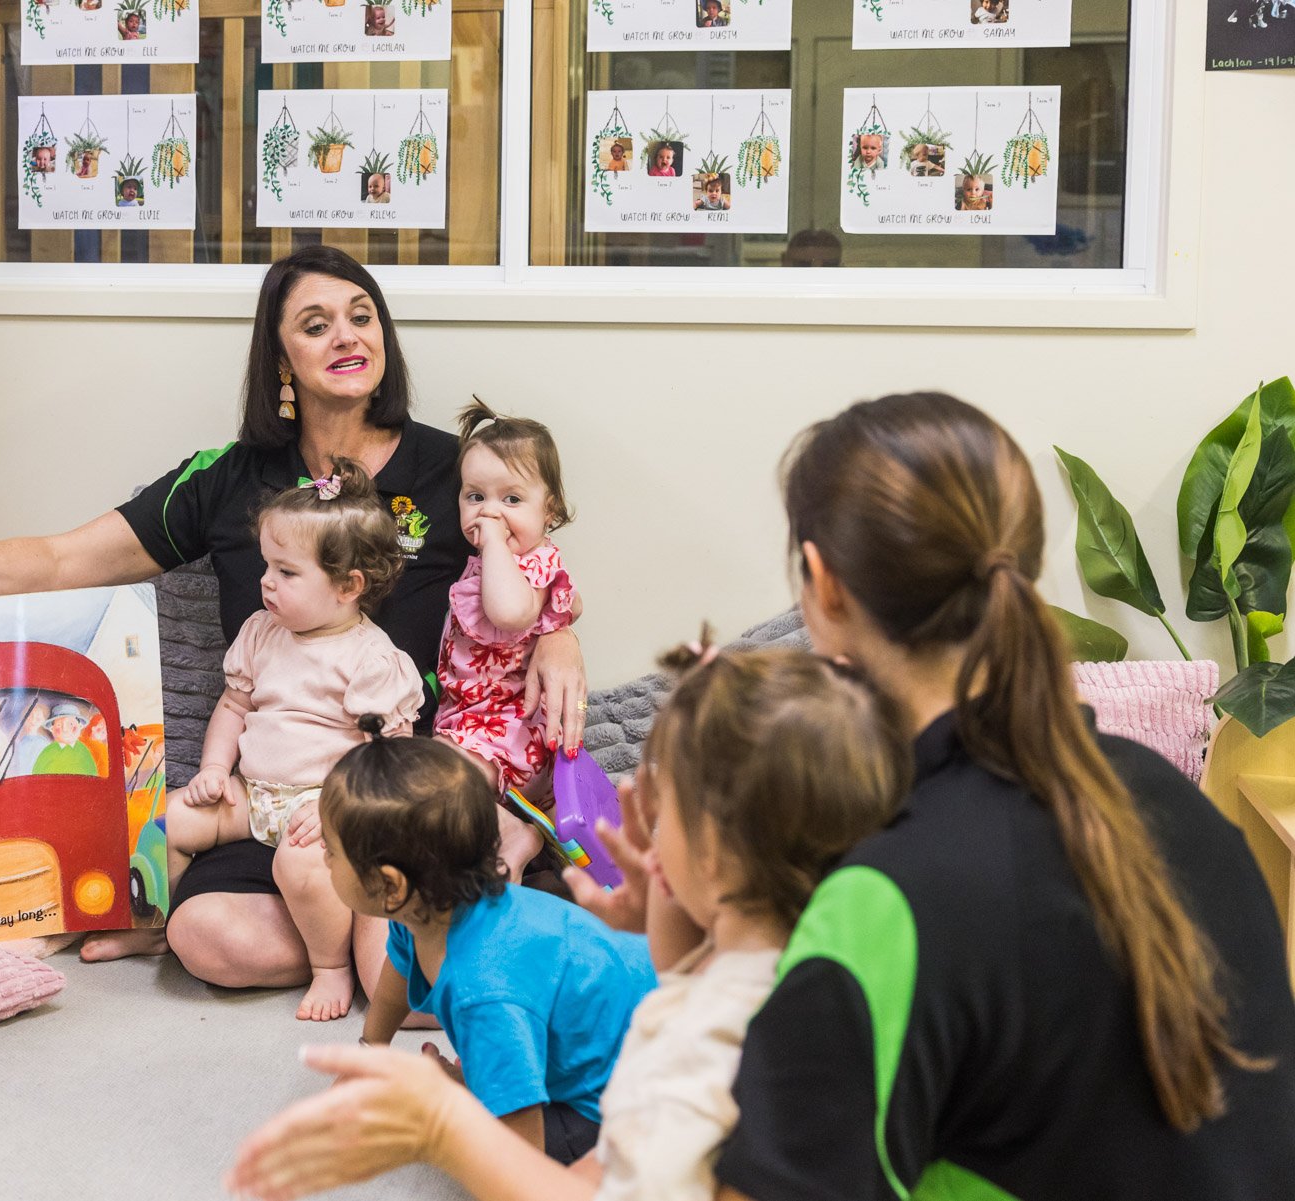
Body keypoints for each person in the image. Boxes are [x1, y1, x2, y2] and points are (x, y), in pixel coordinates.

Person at [227, 391, 1295, 1201]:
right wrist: (678, 923)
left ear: (820, 586)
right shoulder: (1162, 788)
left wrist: (441, 1126)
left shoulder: (888, 898)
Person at [0, 244, 588, 984]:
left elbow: (526, 564)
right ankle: (371, 949)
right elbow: (64, 559)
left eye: (362, 315)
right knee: (205, 937)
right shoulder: (226, 480)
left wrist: (559, 638)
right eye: (316, 323)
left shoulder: (456, 470)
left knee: (436, 891)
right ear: (280, 359)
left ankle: (380, 945)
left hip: (406, 790)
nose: (348, 335)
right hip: (273, 797)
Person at [226, 644, 911, 1200]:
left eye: (655, 805)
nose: (626, 808)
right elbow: (395, 980)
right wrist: (374, 1055)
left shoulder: (680, 1054)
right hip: (616, 1047)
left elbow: (535, 1170)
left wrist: (445, 1125)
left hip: (593, 1097)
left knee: (499, 1122)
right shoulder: (727, 965)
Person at [168, 459, 423, 1022]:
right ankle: (155, 926)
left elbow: (386, 756)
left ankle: (329, 966)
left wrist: (334, 804)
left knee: (301, 862)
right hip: (253, 794)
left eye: (286, 571)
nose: (265, 582)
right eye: (266, 565)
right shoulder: (263, 632)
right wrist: (213, 768)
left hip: (325, 810)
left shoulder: (372, 659)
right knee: (166, 822)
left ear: (347, 586)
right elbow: (234, 706)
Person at [333, 729, 655, 1165]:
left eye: (331, 851)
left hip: (641, 1086)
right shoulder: (428, 911)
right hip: (619, 1028)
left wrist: (458, 1108)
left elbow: (522, 1162)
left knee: (471, 1146)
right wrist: (372, 1050)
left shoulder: (483, 991)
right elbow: (396, 969)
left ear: (390, 886)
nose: (322, 855)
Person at [435, 400, 580, 880]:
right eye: (475, 497)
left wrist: (495, 544)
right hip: (472, 720)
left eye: (511, 500)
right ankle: (521, 842)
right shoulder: (505, 562)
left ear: (550, 510)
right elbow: (570, 605)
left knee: (437, 782)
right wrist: (555, 620)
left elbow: (511, 612)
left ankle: (516, 836)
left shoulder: (529, 563)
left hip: (505, 731)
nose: (489, 513)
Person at [33, 702, 101, 776]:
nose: (65, 729)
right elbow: (36, 775)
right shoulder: (48, 752)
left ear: (80, 726)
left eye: (71, 724)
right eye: (59, 725)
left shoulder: (83, 751)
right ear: (52, 729)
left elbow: (93, 775)